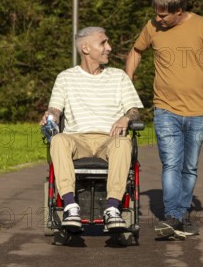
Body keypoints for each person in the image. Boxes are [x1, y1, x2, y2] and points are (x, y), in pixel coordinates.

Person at [125, 0, 203, 238]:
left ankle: (179, 216)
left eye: (163, 16)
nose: (158, 20)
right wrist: (127, 82)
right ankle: (173, 216)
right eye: (156, 14)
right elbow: (136, 51)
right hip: (165, 109)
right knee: (171, 164)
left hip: (198, 110)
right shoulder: (152, 27)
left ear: (179, 11)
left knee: (189, 167)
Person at [40, 26, 143, 231]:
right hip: (77, 139)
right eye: (103, 43)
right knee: (58, 139)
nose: (109, 48)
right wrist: (49, 117)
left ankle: (112, 208)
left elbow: (134, 111)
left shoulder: (119, 77)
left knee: (123, 144)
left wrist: (125, 118)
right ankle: (70, 206)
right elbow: (54, 110)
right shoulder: (66, 78)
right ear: (86, 48)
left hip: (109, 139)